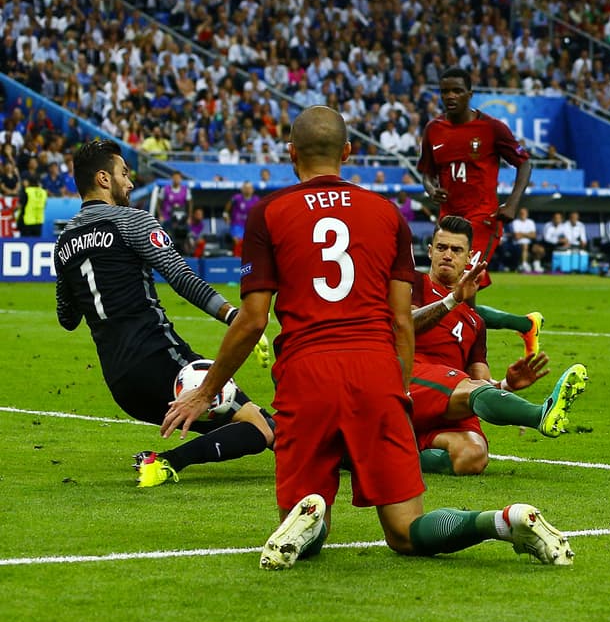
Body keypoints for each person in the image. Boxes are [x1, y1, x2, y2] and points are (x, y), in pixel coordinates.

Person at [162, 106, 573, 570]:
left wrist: (208, 390)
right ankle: (503, 520)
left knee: (307, 530)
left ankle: (312, 514)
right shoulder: (386, 214)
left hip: (306, 371)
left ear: (291, 152)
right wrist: (398, 392)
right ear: (349, 152)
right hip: (376, 370)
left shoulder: (267, 214)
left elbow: (253, 320)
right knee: (406, 531)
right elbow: (402, 321)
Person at [53, 139, 274, 488]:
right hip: (162, 360)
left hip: (122, 384)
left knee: (254, 419)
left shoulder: (63, 243)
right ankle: (166, 462)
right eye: (123, 174)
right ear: (103, 179)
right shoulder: (132, 221)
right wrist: (236, 317)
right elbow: (182, 278)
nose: (130, 182)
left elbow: (67, 318)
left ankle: (345, 457)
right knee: (260, 427)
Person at [410, 215, 587, 476]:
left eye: (456, 250)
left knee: (472, 458)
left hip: (449, 399)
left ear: (469, 257)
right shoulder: (414, 284)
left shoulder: (476, 323)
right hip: (409, 384)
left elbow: (480, 382)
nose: (447, 255)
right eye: (441, 247)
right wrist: (452, 300)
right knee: (469, 390)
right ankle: (540, 414)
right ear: (430, 251)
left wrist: (506, 385)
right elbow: (405, 325)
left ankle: (397, 452)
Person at [416, 67, 541, 356]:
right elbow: (426, 171)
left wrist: (512, 203)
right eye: (445, 90)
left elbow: (524, 163)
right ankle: (524, 326)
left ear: (470, 94)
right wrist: (430, 188)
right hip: (449, 221)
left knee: (459, 288)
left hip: (482, 220)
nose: (450, 96)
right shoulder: (433, 130)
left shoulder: (492, 128)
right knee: (452, 294)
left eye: (457, 90)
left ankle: (469, 362)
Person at [224, 181, 259, 256]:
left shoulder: (256, 199)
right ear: (242, 189)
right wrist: (225, 214)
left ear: (253, 190)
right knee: (238, 242)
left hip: (250, 226)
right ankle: (237, 259)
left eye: (249, 188)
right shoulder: (237, 197)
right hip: (237, 225)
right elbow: (229, 204)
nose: (247, 190)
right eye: (245, 188)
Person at [510, 207, 543, 272]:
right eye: (521, 213)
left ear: (527, 214)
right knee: (525, 246)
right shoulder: (515, 222)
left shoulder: (531, 222)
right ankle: (524, 264)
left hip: (530, 243)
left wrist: (522, 234)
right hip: (518, 243)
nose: (523, 214)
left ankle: (536, 264)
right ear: (519, 214)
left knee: (540, 249)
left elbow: (534, 235)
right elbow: (517, 236)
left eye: (524, 213)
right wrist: (528, 234)